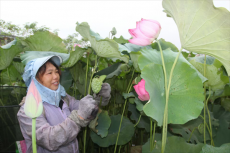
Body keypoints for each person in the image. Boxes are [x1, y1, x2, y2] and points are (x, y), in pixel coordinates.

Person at [17, 55, 111, 153]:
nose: (56, 76)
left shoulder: (63, 98)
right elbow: (49, 139)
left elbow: (84, 109)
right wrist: (78, 118)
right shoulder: (27, 110)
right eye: (49, 73)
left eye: (56, 71)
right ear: (35, 79)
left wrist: (98, 98)